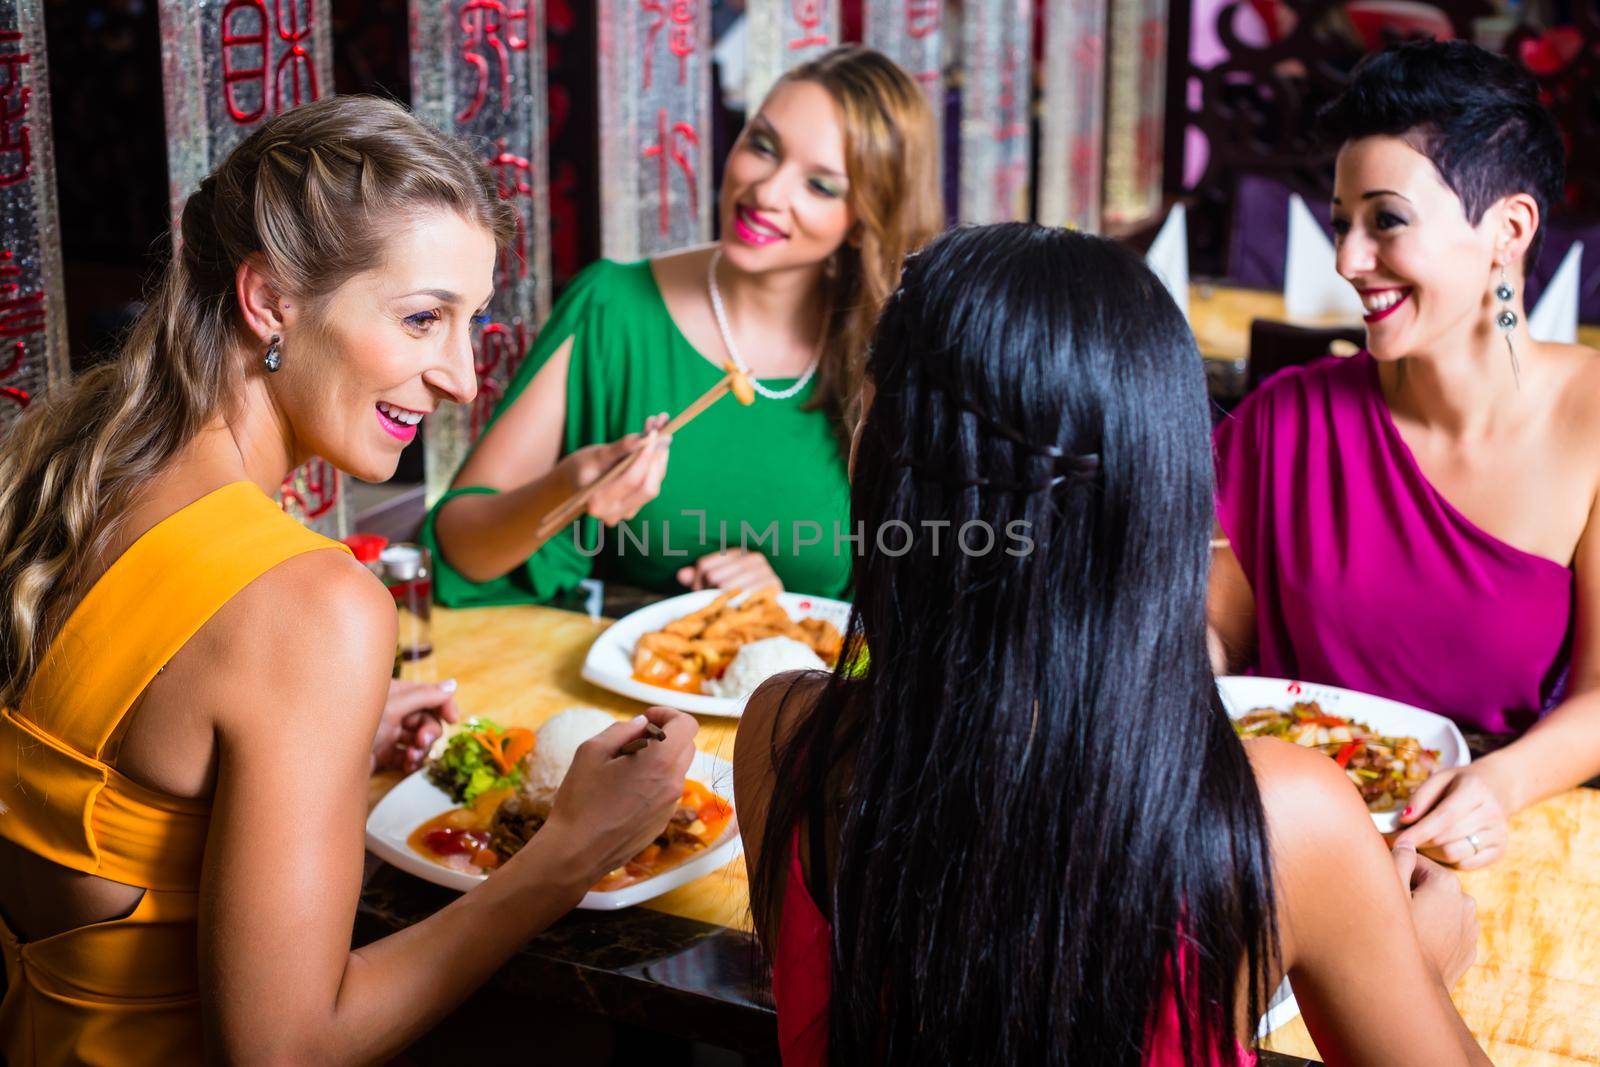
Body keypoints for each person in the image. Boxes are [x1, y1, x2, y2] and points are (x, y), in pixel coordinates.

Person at [0, 96, 697, 1065]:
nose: (460, 375)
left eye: (471, 323)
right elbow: (286, 1046)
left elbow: (119, 773)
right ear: (269, 300)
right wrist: (567, 853)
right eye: (423, 318)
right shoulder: (310, 603)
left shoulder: (77, 474)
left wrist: (314, 744)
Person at [735, 224, 1489, 1065]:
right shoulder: (1284, 824)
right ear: (1165, 496)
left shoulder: (783, 739)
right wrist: (1420, 967)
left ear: (884, 475)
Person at [1208, 40, 1599, 869]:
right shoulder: (1286, 418)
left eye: (1385, 220)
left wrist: (1502, 783)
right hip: (1284, 835)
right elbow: (1215, 632)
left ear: (1509, 230)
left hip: (1490, 837)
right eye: (1341, 221)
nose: (1348, 260)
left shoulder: (1592, 420)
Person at [425, 46, 943, 605]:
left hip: (813, 688)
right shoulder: (613, 308)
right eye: (763, 147)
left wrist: (790, 606)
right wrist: (571, 489)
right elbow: (461, 548)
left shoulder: (891, 352)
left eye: (820, 186)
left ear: (865, 223)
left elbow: (923, 596)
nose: (766, 193)